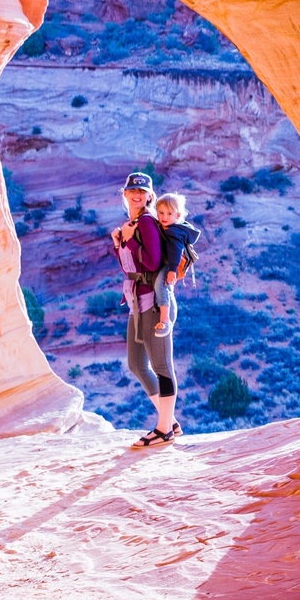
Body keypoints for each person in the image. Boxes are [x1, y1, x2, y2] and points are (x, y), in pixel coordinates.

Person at [110, 171, 179, 447]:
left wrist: (130, 239)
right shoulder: (131, 224)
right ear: (124, 194)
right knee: (136, 364)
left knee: (161, 365)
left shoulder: (148, 223)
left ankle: (164, 429)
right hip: (137, 303)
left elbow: (150, 265)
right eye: (132, 191)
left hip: (154, 303)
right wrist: (120, 243)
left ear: (150, 196)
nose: (137, 195)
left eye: (142, 192)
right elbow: (130, 266)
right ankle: (169, 420)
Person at [150, 192, 202, 336]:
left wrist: (172, 269)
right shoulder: (167, 227)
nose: (164, 217)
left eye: (169, 213)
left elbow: (175, 251)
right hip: (170, 262)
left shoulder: (173, 232)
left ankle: (165, 321)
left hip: (173, 263)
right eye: (161, 213)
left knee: (160, 284)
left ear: (177, 216)